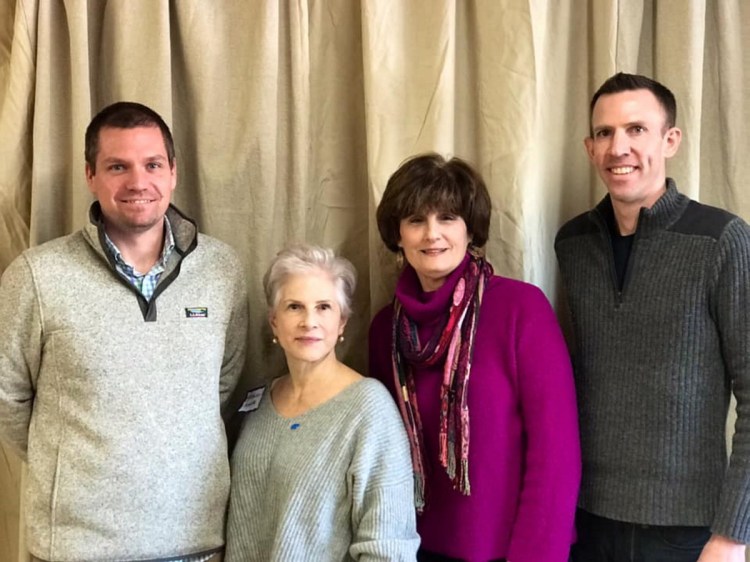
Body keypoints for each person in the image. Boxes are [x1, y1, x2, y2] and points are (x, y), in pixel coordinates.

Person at [0, 102, 249, 562]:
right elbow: (7, 397)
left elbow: (222, 388)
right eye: (118, 166)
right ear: (90, 175)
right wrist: (74, 469)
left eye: (152, 164)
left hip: (195, 544)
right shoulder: (37, 275)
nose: (138, 182)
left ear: (173, 172)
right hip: (74, 549)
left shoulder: (221, 270)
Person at [555, 72, 750, 561]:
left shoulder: (721, 240)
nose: (618, 147)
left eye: (636, 129)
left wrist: (733, 534)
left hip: (687, 533)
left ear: (671, 140)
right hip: (586, 522)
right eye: (605, 133)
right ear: (589, 147)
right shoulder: (573, 244)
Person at [369, 153, 581, 562]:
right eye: (416, 220)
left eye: (447, 218)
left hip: (512, 550)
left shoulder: (519, 308)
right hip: (409, 547)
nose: (432, 234)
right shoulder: (385, 329)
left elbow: (556, 451)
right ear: (397, 235)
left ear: (470, 229)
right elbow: (382, 452)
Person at [225, 244, 419, 561]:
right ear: (274, 322)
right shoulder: (257, 403)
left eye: (324, 307)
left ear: (342, 322)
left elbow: (389, 548)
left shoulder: (369, 409)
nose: (309, 321)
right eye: (294, 307)